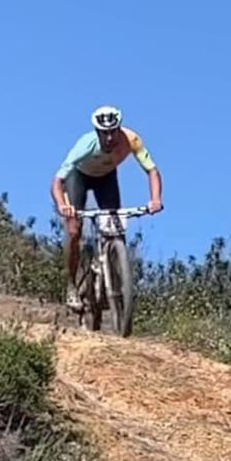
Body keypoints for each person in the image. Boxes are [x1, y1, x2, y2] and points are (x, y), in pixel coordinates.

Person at [51, 105, 163, 310]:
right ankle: (71, 285)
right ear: (97, 133)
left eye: (114, 132)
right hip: (79, 177)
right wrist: (62, 205)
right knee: (74, 231)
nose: (110, 138)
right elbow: (57, 181)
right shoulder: (85, 146)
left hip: (106, 179)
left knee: (116, 228)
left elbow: (152, 171)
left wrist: (155, 199)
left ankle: (111, 271)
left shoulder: (132, 140)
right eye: (105, 134)